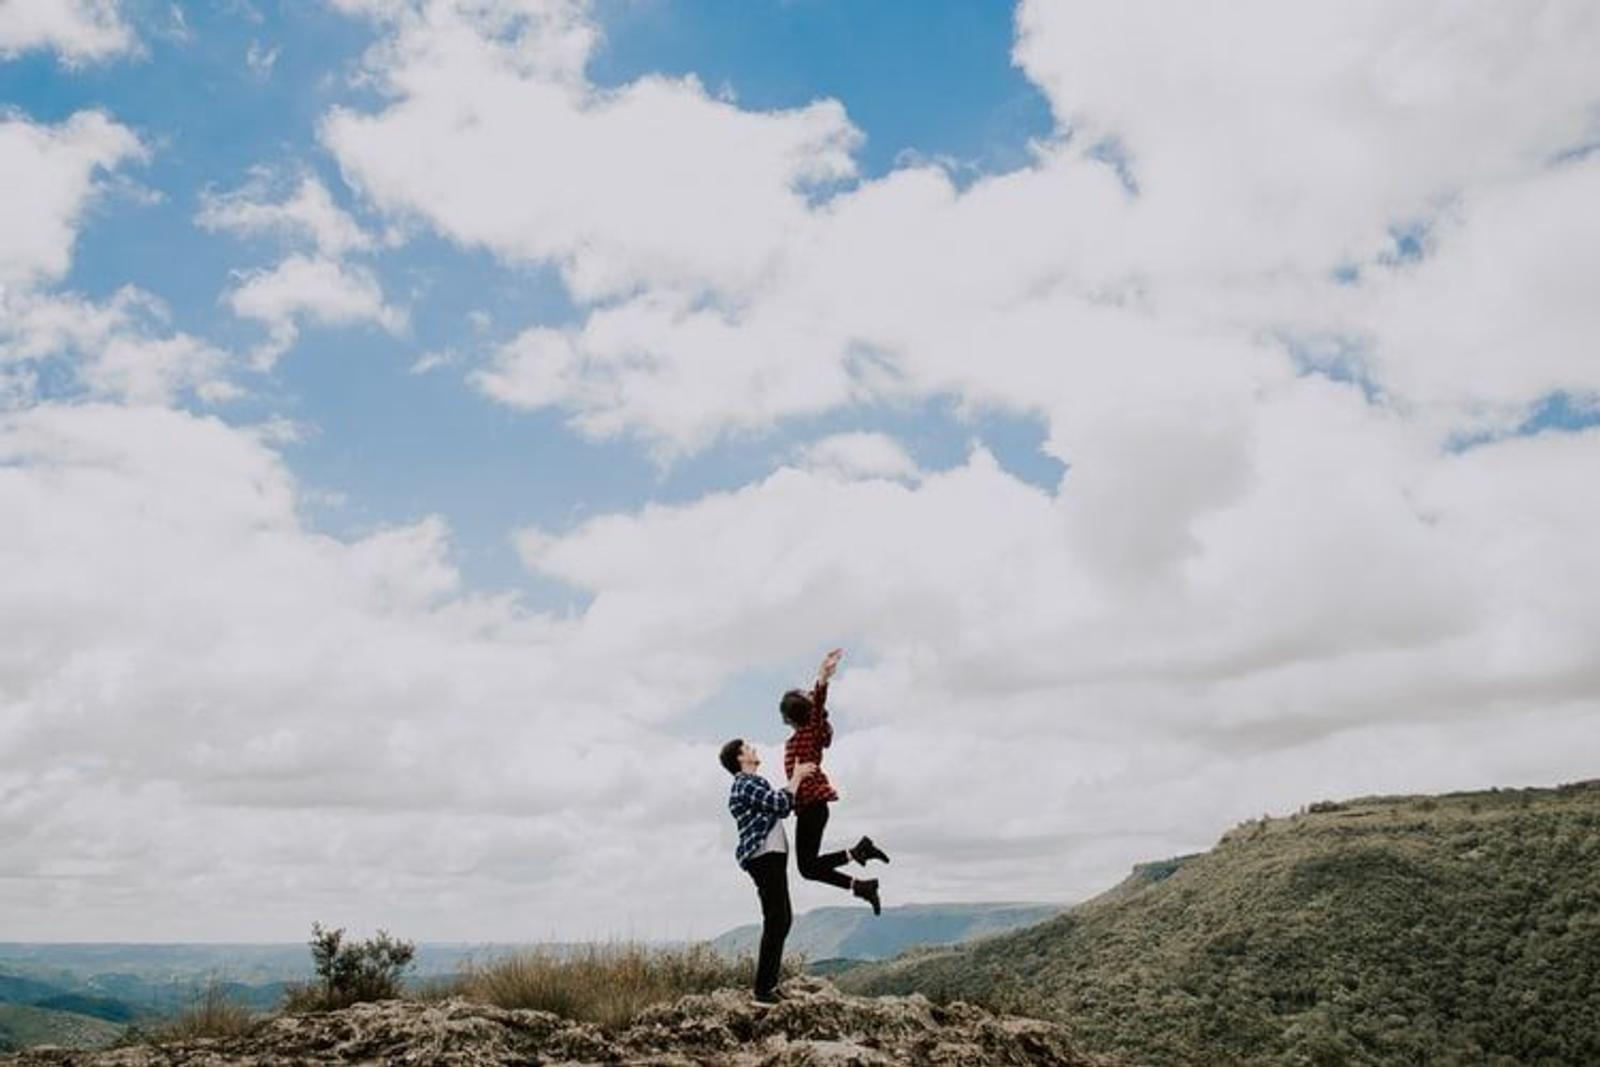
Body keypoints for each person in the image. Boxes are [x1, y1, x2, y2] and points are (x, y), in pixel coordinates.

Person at [781, 647, 890, 915]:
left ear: (791, 716)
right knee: (808, 868)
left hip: (814, 807)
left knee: (807, 868)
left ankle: (859, 855)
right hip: (808, 809)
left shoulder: (810, 733)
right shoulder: (797, 739)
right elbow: (812, 706)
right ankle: (861, 883)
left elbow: (816, 706)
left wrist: (822, 677)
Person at [720, 737, 813, 1004]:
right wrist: (796, 778)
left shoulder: (754, 784)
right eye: (747, 748)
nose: (753, 749)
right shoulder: (744, 784)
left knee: (781, 918)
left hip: (771, 856)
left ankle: (768, 985)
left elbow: (780, 806)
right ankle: (762, 990)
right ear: (740, 759)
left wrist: (790, 789)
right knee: (777, 918)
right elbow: (780, 804)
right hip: (764, 856)